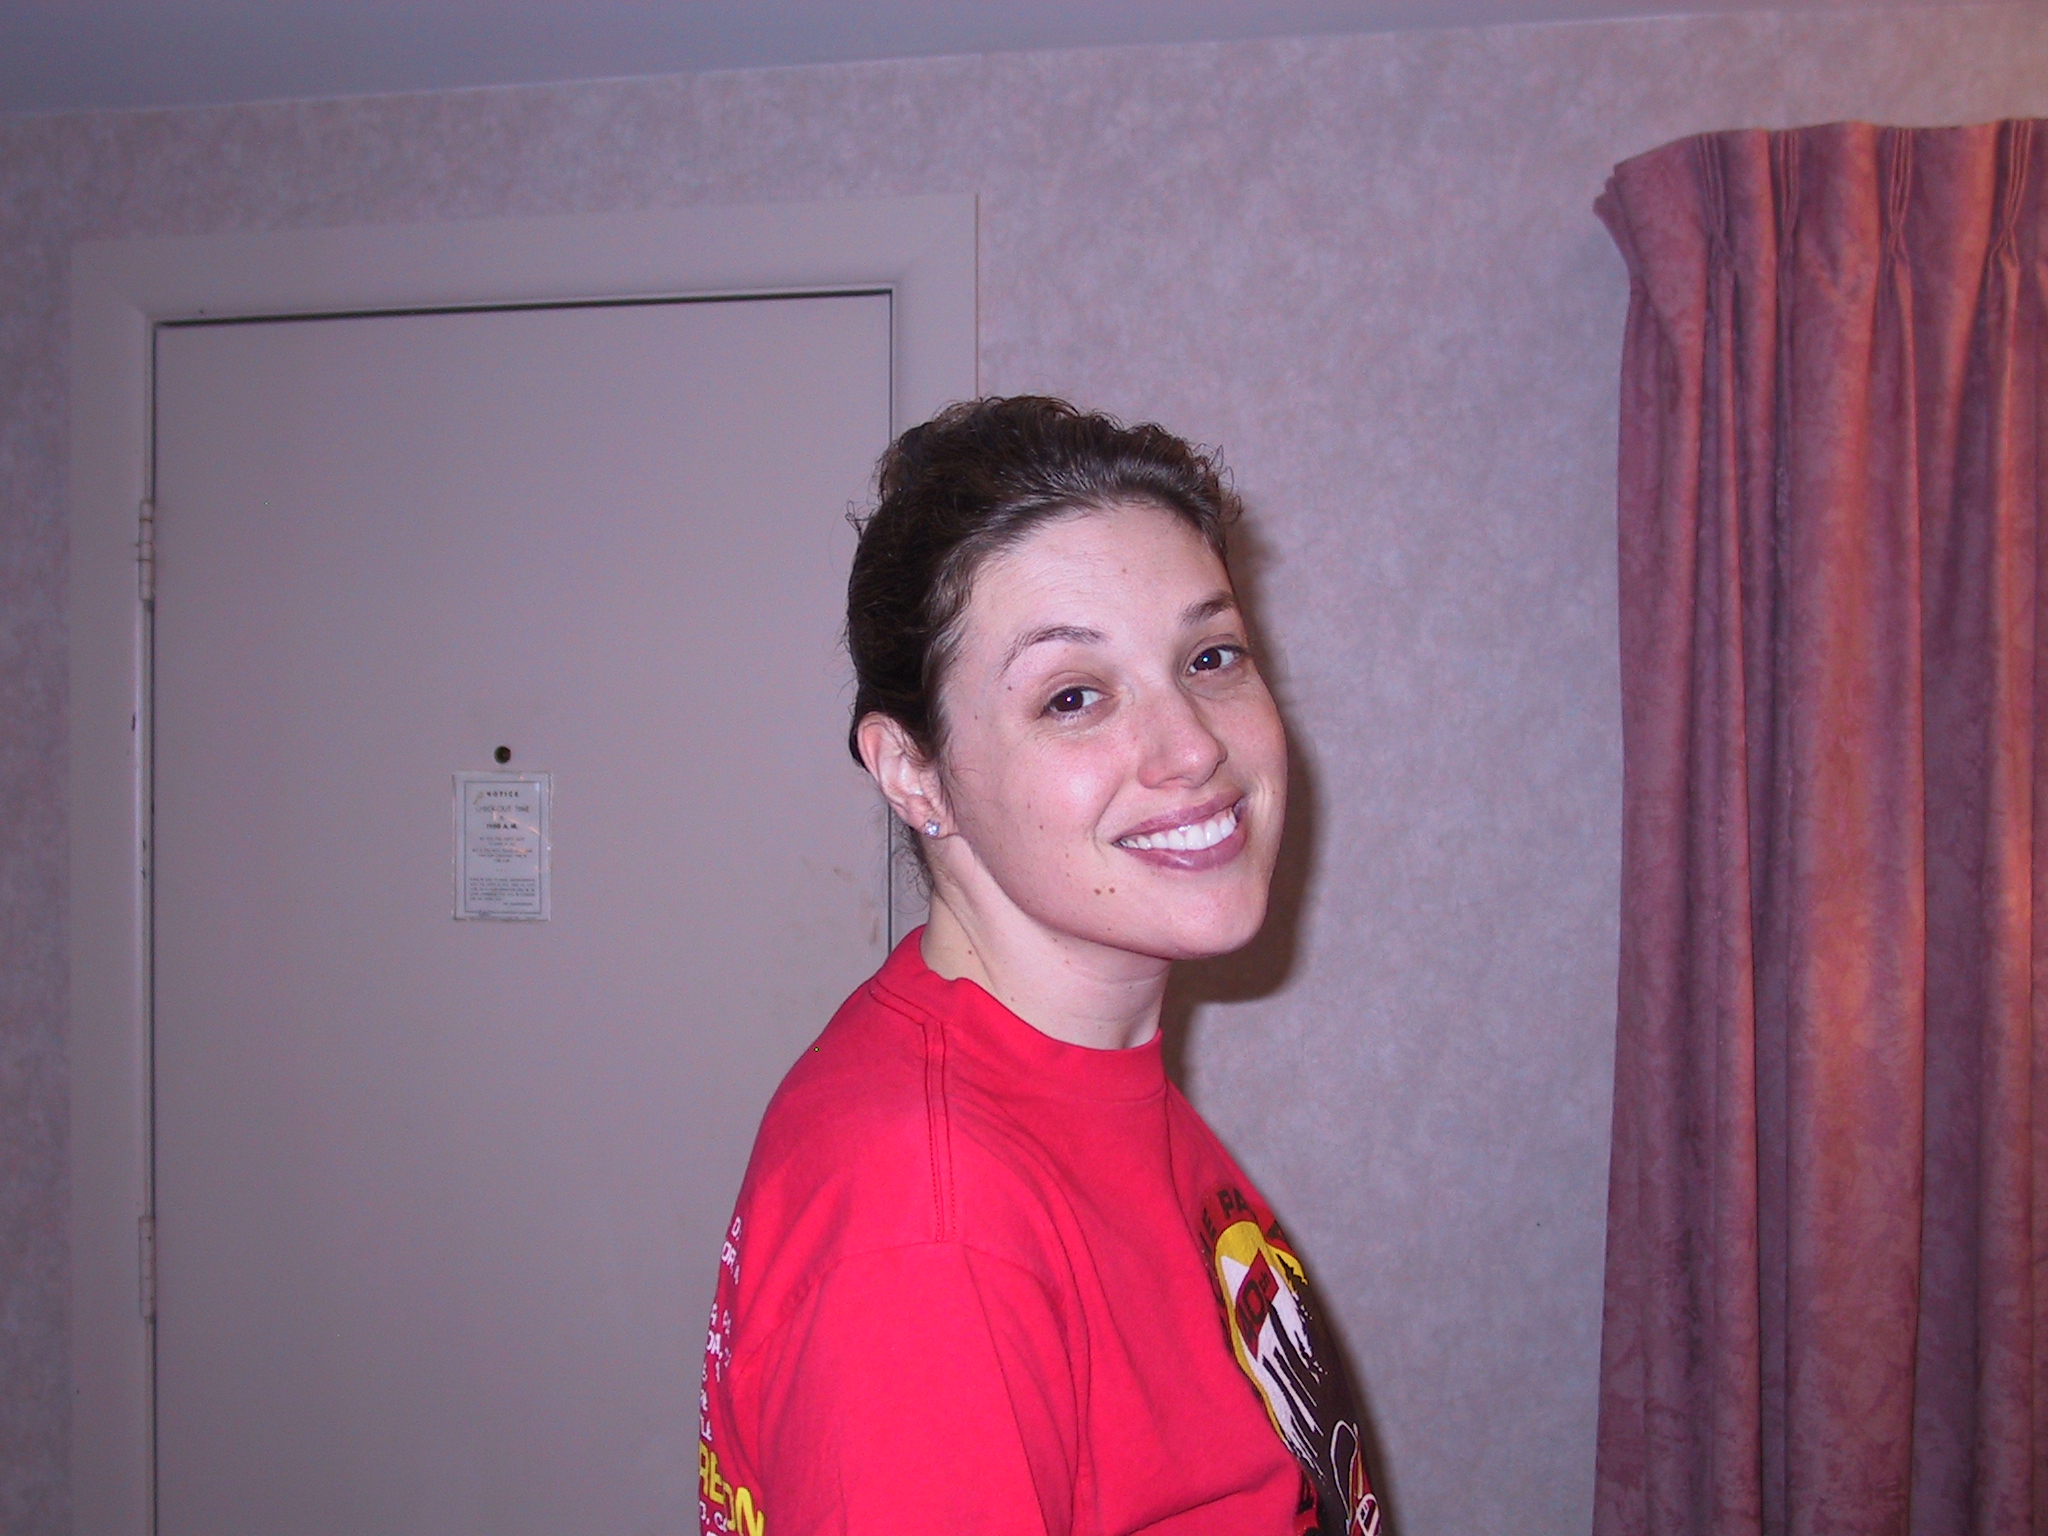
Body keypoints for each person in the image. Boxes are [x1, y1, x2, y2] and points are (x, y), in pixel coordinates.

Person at [696, 397, 1381, 1536]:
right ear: (913, 773)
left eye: (1209, 657)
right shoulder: (929, 1219)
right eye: (1074, 696)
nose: (1194, 746)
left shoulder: (1071, 1082)